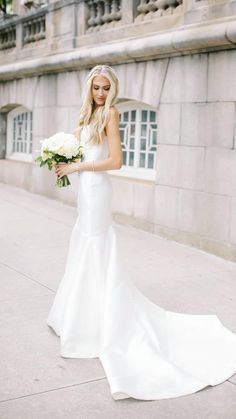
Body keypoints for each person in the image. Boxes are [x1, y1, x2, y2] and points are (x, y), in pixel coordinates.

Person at [47, 64, 236, 401]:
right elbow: (86, 150)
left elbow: (116, 161)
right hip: (86, 192)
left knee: (96, 247)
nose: (101, 93)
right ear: (89, 89)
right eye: (97, 88)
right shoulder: (87, 115)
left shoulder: (112, 114)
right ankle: (82, 316)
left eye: (106, 88)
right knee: (84, 245)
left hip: (97, 190)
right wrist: (63, 157)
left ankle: (98, 324)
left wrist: (77, 166)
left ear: (112, 90)